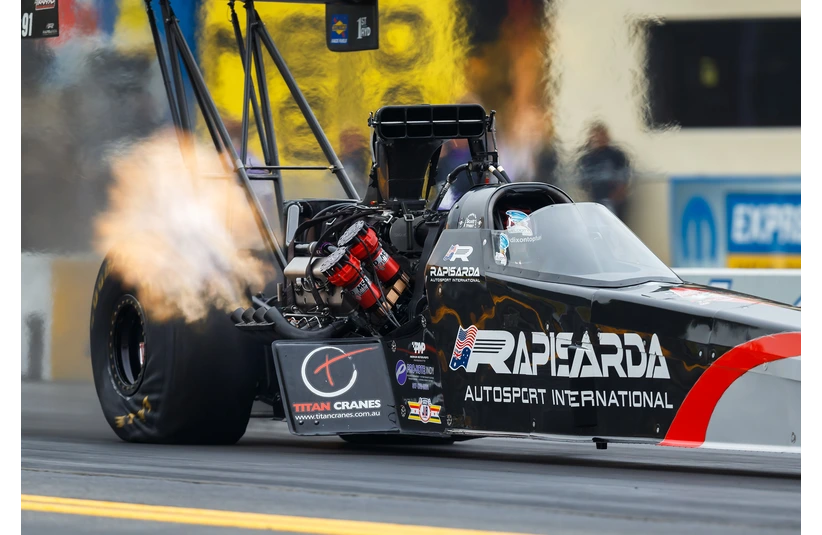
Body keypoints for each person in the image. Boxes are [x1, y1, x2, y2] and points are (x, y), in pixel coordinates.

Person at [575, 121, 631, 221]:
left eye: (600, 134)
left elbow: (624, 178)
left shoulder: (616, 155)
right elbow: (583, 182)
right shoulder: (586, 159)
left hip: (613, 201)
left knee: (613, 227)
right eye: (595, 135)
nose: (598, 138)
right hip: (594, 200)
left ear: (606, 136)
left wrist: (616, 197)